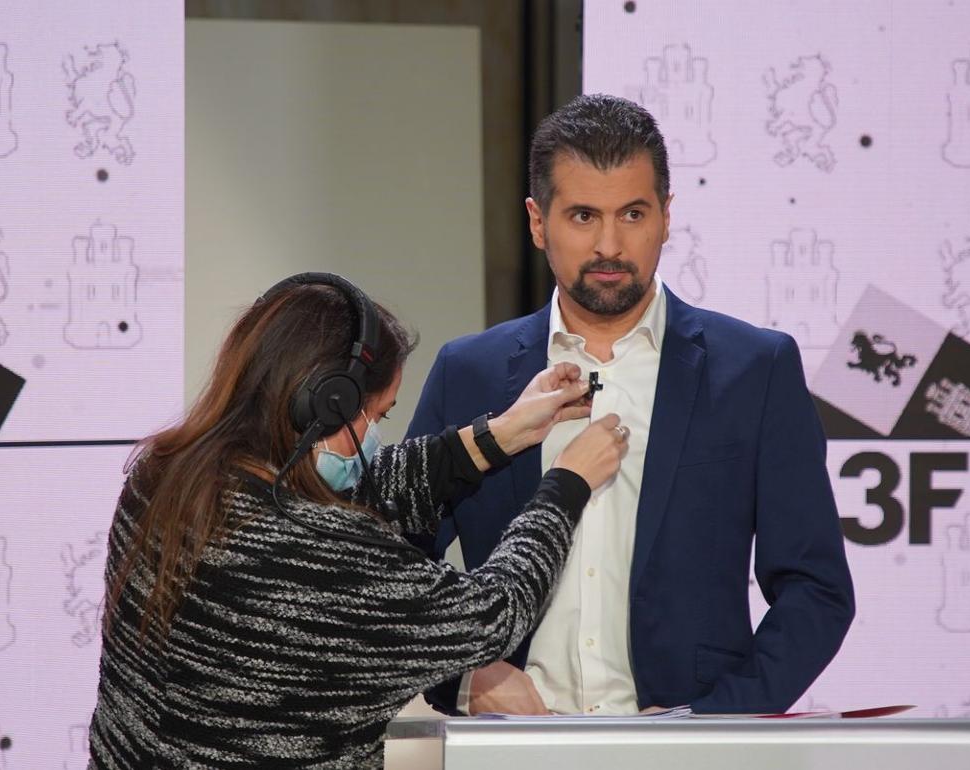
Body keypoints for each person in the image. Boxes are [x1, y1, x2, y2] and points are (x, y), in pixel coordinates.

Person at [407, 95, 856, 717]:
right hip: (510, 750)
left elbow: (816, 591)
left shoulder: (755, 370)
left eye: (634, 214)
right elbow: (386, 565)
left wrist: (714, 723)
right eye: (584, 216)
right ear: (538, 223)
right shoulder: (470, 373)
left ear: (667, 217)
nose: (610, 245)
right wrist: (468, 675)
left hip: (691, 756)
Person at [87, 273, 629, 769]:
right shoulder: (327, 554)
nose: (376, 436)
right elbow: (494, 614)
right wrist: (565, 484)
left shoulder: (162, 481)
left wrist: (501, 435)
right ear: (324, 404)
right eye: (378, 415)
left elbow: (348, 490)